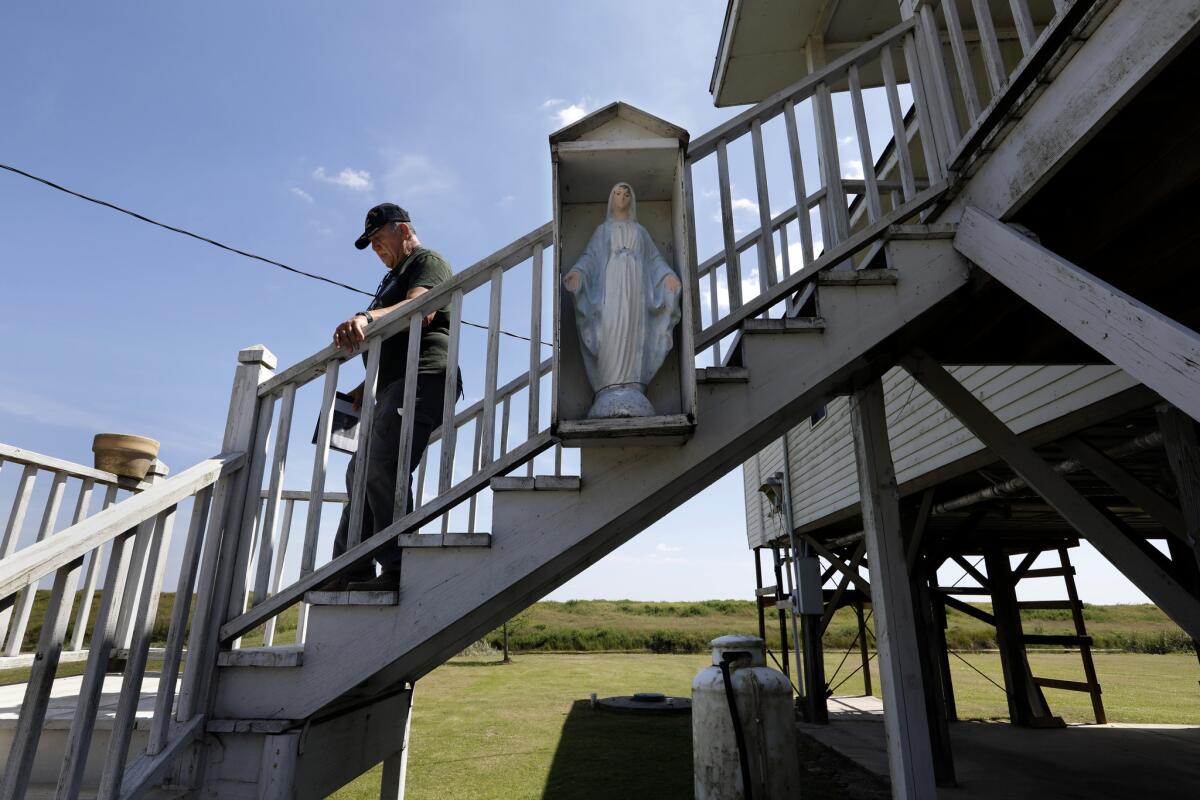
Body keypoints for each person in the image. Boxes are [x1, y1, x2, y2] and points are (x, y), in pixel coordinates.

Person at [326, 203, 456, 590]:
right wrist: (368, 386)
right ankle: (351, 568)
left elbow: (422, 309)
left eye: (379, 239)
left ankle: (400, 567)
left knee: (384, 466)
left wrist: (366, 319)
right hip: (394, 385)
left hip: (423, 378)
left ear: (402, 231)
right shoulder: (390, 278)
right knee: (360, 472)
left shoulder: (426, 261)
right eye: (371, 244)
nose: (377, 249)